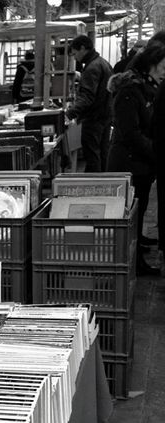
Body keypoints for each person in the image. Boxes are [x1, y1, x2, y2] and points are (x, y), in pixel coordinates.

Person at [109, 41, 165, 275]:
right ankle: (134, 263)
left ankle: (138, 247)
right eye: (163, 65)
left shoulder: (145, 87)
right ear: (151, 65)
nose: (164, 70)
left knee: (138, 212)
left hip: (140, 162)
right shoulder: (130, 91)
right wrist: (155, 152)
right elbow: (131, 132)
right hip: (129, 163)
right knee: (131, 213)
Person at [66, 35, 113, 173]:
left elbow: (87, 96)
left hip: (93, 118)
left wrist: (69, 114)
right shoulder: (103, 63)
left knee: (92, 156)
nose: (75, 58)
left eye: (75, 54)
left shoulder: (92, 67)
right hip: (105, 116)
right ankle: (104, 184)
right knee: (102, 154)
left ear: (82, 48)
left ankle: (95, 186)